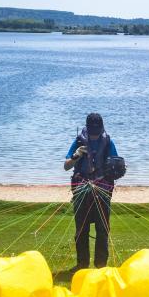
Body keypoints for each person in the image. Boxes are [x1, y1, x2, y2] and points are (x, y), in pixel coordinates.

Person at [64, 113, 118, 271]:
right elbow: (66, 166)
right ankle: (82, 265)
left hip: (102, 191)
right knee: (81, 229)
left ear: (101, 129)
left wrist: (120, 167)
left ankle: (101, 266)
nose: (95, 135)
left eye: (97, 132)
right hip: (81, 191)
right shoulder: (79, 141)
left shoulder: (108, 142)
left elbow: (117, 166)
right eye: (92, 132)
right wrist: (76, 155)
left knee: (102, 228)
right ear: (87, 128)